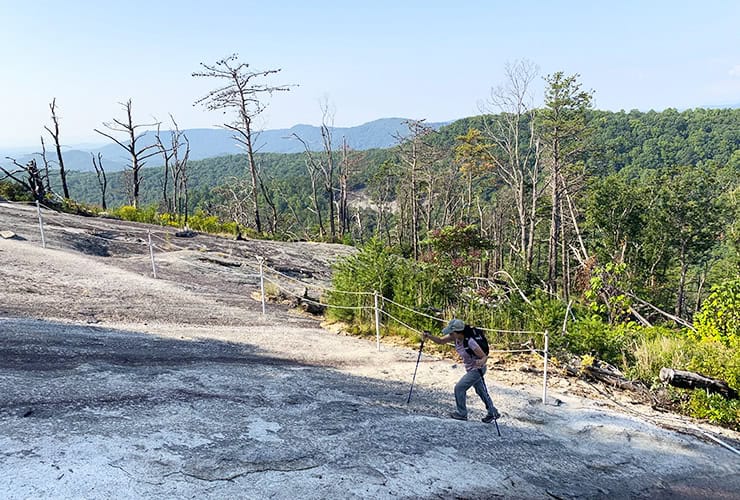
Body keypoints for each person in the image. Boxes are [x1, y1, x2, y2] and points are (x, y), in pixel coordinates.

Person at [423, 318, 501, 423]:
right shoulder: (456, 338)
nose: (450, 335)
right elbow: (441, 341)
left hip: (477, 369)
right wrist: (429, 337)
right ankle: (493, 412)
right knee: (481, 391)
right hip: (471, 369)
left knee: (459, 388)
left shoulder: (471, 342)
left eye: (451, 332)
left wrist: (481, 361)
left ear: (457, 332)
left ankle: (462, 414)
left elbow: (484, 356)